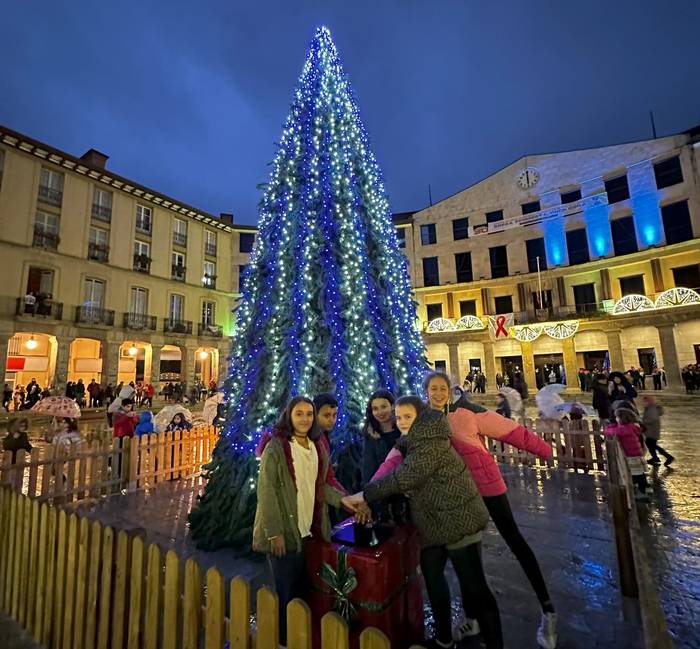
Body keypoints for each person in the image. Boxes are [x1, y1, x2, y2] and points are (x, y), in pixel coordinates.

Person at [424, 372, 556, 649]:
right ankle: (472, 619)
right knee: (470, 555)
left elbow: (511, 431)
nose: (436, 394)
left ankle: (548, 610)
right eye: (431, 389)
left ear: (450, 390)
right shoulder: (426, 418)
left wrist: (545, 451)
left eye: (441, 389)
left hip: (488, 486)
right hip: (461, 495)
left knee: (514, 539)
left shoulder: (468, 411)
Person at [355, 395, 500, 649]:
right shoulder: (409, 440)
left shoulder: (430, 440)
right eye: (398, 417)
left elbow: (404, 477)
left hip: (458, 520)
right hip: (433, 524)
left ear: (420, 416)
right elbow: (388, 467)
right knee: (432, 576)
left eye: (407, 417)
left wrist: (365, 495)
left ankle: (495, 643)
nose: (400, 422)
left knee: (475, 587)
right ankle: (444, 639)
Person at [252, 396, 356, 646]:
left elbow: (321, 485)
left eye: (309, 414)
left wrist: (345, 501)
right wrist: (274, 532)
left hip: (310, 530)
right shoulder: (276, 447)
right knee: (287, 593)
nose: (305, 419)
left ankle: (300, 639)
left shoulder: (316, 445)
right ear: (289, 415)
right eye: (299, 414)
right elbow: (267, 491)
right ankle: (284, 641)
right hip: (286, 532)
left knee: (304, 592)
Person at [605, 401, 648, 499]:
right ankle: (643, 489)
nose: (616, 419)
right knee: (639, 473)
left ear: (621, 418)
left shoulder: (625, 429)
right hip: (636, 454)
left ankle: (642, 492)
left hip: (631, 455)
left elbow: (610, 431)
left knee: (636, 474)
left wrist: (610, 426)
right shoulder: (632, 426)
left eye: (617, 417)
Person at [361, 389, 400, 485]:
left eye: (383, 407)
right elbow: (368, 468)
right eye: (375, 408)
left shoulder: (402, 431)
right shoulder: (370, 435)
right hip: (378, 488)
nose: (380, 412)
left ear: (392, 406)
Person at [641, 395, 674, 467]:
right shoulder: (650, 408)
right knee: (650, 445)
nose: (644, 403)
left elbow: (652, 419)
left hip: (651, 431)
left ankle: (668, 457)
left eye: (645, 401)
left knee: (652, 445)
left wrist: (642, 421)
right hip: (651, 430)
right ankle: (655, 458)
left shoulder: (652, 409)